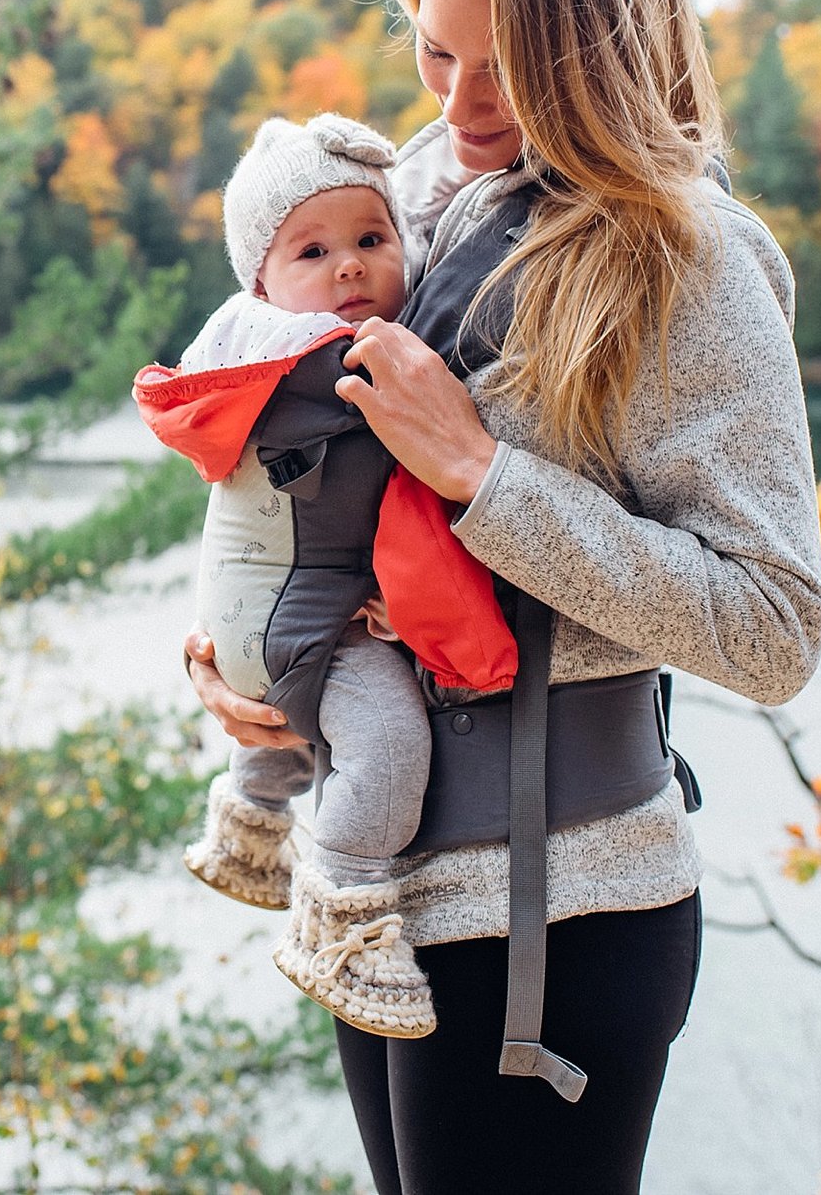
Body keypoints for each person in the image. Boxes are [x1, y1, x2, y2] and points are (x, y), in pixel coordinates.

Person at [182, 0, 821, 1193]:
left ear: (603, 42)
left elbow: (774, 630)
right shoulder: (387, 206)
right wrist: (239, 657)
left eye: (511, 65)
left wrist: (484, 476)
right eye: (435, 50)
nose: (462, 106)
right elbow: (278, 473)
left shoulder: (690, 261)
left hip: (567, 911)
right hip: (375, 894)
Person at [134, 113, 516, 1040]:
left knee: (301, 709)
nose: (349, 266)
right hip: (295, 623)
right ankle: (343, 904)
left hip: (263, 615)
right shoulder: (300, 358)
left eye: (372, 240)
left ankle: (252, 819)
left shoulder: (263, 346)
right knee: (386, 742)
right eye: (314, 249)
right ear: (260, 279)